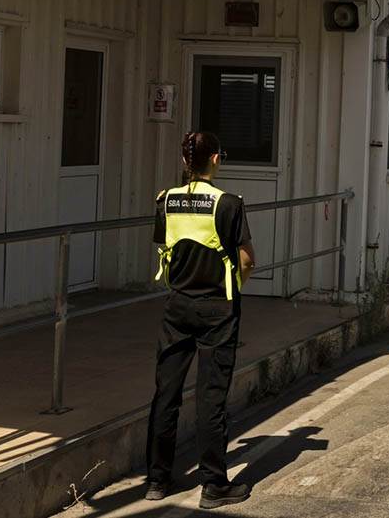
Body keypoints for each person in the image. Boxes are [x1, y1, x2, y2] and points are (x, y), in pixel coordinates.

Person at [145, 131, 255, 509]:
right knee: (211, 395)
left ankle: (157, 480)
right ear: (215, 160)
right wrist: (232, 288)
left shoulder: (166, 200)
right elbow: (246, 260)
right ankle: (213, 485)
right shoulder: (228, 204)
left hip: (177, 306)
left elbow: (165, 246)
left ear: (184, 162)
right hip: (217, 309)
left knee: (166, 393)